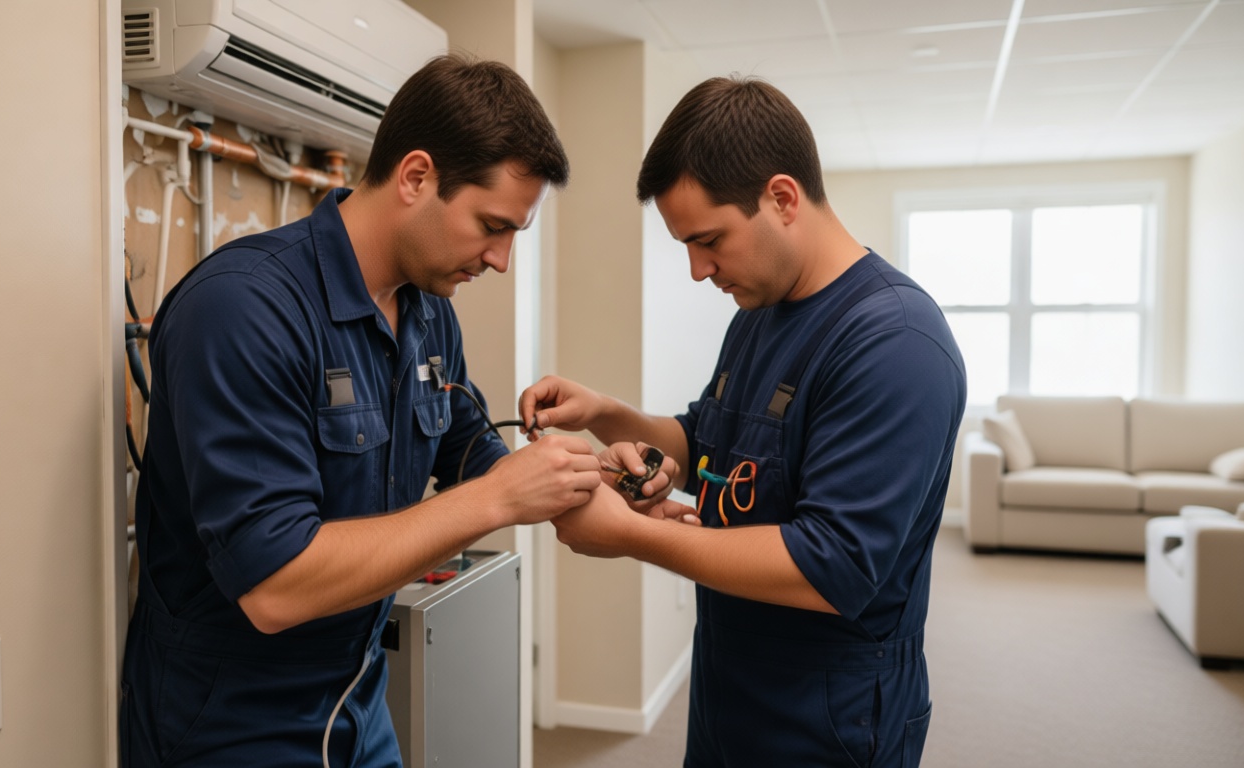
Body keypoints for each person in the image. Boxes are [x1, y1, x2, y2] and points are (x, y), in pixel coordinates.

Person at [121, 55, 602, 768]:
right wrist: (500, 499)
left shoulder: (429, 312)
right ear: (415, 178)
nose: (500, 259)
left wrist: (586, 475)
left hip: (357, 704)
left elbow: (469, 452)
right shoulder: (243, 309)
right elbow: (274, 586)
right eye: (492, 225)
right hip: (228, 727)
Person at [518, 76, 966, 768]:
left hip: (830, 713)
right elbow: (707, 443)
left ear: (782, 199)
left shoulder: (896, 343)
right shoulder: (758, 315)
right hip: (732, 682)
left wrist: (632, 536)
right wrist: (607, 413)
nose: (699, 270)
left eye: (709, 240)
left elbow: (833, 566)